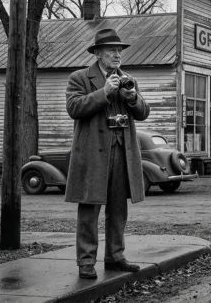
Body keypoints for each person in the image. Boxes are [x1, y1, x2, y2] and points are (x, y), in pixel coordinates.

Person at [65, 27, 150, 279]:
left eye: (120, 50)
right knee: (90, 208)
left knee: (118, 208)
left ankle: (115, 256)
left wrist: (132, 97)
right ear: (98, 53)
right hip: (92, 153)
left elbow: (144, 112)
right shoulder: (80, 77)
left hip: (122, 151)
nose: (117, 54)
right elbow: (74, 107)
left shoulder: (127, 78)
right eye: (112, 49)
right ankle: (86, 261)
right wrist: (104, 93)